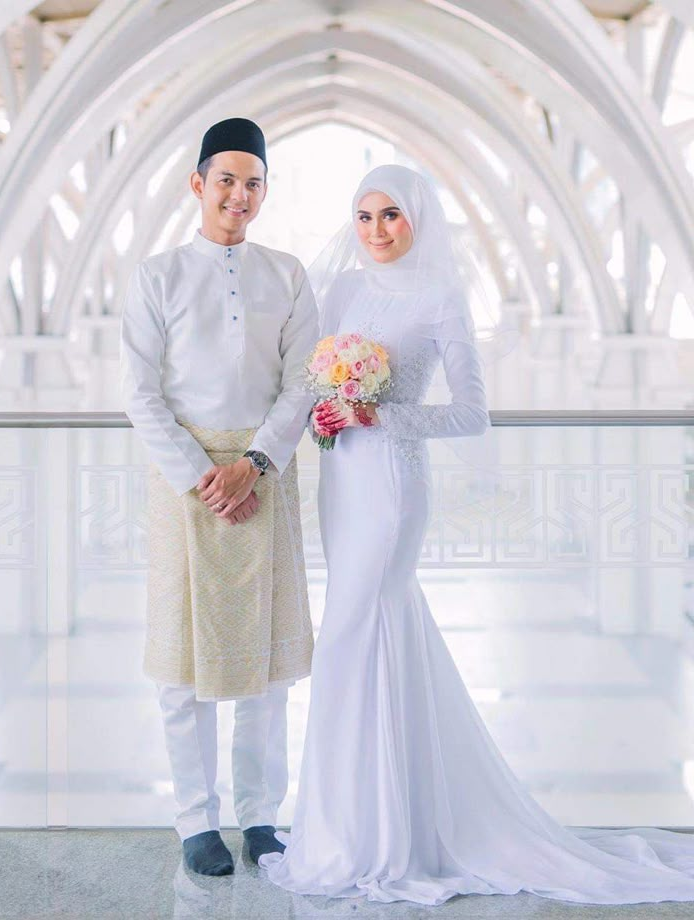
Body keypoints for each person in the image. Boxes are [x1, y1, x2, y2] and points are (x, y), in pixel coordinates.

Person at [260, 164, 694, 906]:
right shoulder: (342, 289)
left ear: (418, 217)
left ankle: (368, 839)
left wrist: (379, 415)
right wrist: (317, 422)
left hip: (395, 487)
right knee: (372, 639)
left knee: (345, 641)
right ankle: (361, 827)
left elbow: (471, 414)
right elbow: (311, 384)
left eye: (390, 214)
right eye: (363, 216)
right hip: (344, 486)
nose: (376, 230)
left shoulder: (440, 297)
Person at [119, 117, 318, 876]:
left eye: (254, 182)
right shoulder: (157, 276)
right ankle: (195, 821)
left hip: (266, 473)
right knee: (183, 663)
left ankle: (262, 816)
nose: (240, 194)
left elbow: (304, 380)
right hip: (185, 483)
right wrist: (204, 476)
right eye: (226, 178)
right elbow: (139, 393)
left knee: (266, 666)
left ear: (266, 191)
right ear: (197, 184)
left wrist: (256, 463)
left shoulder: (288, 273)